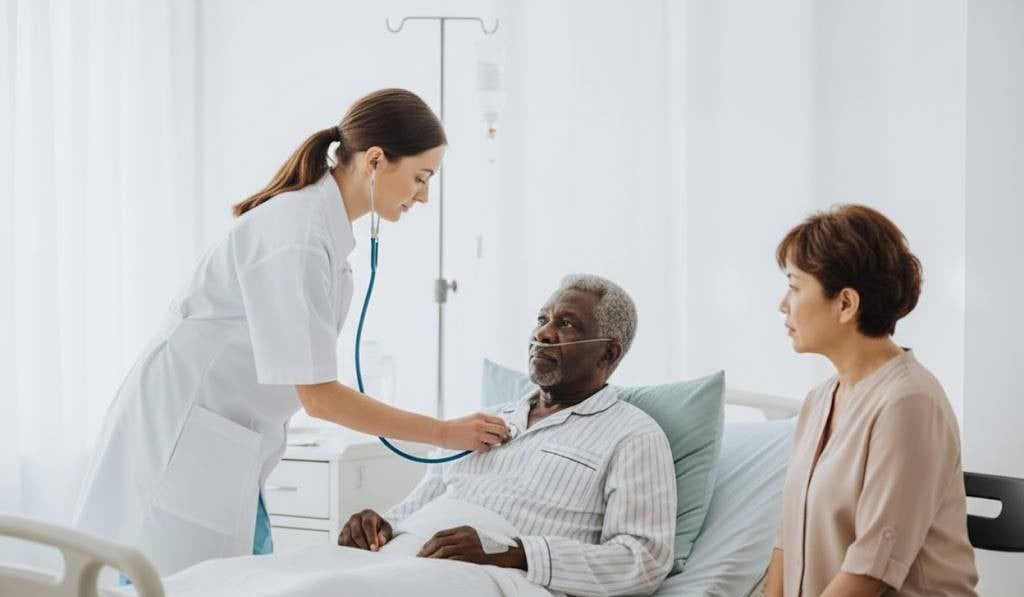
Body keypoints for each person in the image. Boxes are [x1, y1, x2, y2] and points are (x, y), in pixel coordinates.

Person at [73, 88, 509, 577]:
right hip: (180, 440)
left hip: (223, 444)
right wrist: (444, 433)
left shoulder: (320, 233)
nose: (424, 196)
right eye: (421, 178)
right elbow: (320, 398)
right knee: (160, 580)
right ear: (375, 161)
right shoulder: (297, 235)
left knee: (226, 578)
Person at [338, 274, 677, 597]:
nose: (543, 333)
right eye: (542, 319)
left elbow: (644, 560)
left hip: (497, 578)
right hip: (407, 554)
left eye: (567, 324)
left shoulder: (633, 435)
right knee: (318, 576)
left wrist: (515, 552)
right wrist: (381, 526)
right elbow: (422, 500)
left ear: (608, 353)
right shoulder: (484, 421)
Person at [763, 205, 978, 597]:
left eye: (794, 286)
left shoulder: (910, 404)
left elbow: (870, 570)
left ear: (846, 303)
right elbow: (788, 535)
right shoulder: (818, 401)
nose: (782, 304)